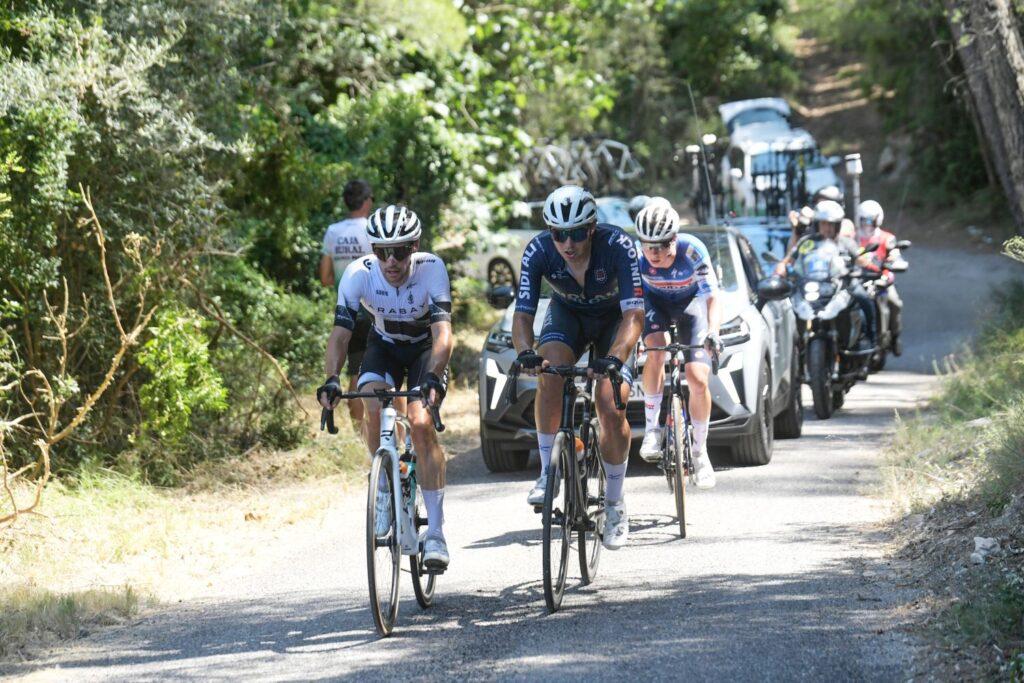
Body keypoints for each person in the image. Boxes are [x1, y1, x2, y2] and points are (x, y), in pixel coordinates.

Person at [317, 205, 454, 569]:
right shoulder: (357, 275)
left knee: (421, 424)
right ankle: (383, 485)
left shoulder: (431, 268)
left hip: (425, 350)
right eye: (381, 252)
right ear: (372, 250)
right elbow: (341, 335)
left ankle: (436, 533)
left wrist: (433, 377)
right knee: (370, 405)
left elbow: (443, 334)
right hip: (385, 346)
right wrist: (331, 378)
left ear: (415, 246)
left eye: (400, 251)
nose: (391, 261)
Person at [512, 185, 644, 550]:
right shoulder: (538, 250)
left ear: (590, 228)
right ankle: (546, 473)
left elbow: (634, 314)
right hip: (567, 315)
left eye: (575, 233)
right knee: (549, 375)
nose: (567, 243)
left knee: (609, 400)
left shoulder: (618, 246)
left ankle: (615, 502)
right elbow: (522, 315)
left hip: (613, 321)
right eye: (558, 234)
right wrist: (525, 351)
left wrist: (615, 358)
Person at [634, 201, 722, 489]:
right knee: (656, 351)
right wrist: (634, 336)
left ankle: (700, 451)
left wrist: (713, 331)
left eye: (661, 245)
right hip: (655, 305)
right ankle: (651, 430)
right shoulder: (636, 257)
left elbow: (711, 298)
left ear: (675, 238)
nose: (654, 253)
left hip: (690, 306)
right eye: (648, 245)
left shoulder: (693, 250)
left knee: (697, 378)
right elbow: (630, 303)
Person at [775, 200, 876, 351]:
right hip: (812, 286)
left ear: (838, 226)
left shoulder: (845, 243)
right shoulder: (807, 242)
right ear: (817, 224)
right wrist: (779, 272)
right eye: (823, 224)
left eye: (831, 224)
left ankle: (870, 338)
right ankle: (792, 347)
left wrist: (870, 266)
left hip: (842, 285)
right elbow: (789, 260)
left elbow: (861, 259)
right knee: (787, 305)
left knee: (865, 298)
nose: (827, 228)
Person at [320, 180, 375, 438]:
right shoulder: (372, 229)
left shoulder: (333, 231)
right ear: (366, 201)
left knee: (355, 370)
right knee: (383, 372)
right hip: (374, 309)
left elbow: (325, 277)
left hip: (346, 310)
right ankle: (393, 433)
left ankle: (359, 434)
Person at [856, 199, 904, 355]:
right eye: (863, 220)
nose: (867, 224)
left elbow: (895, 253)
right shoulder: (853, 238)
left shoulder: (887, 238)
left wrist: (893, 260)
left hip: (882, 280)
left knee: (895, 303)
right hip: (858, 279)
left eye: (870, 220)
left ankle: (895, 336)